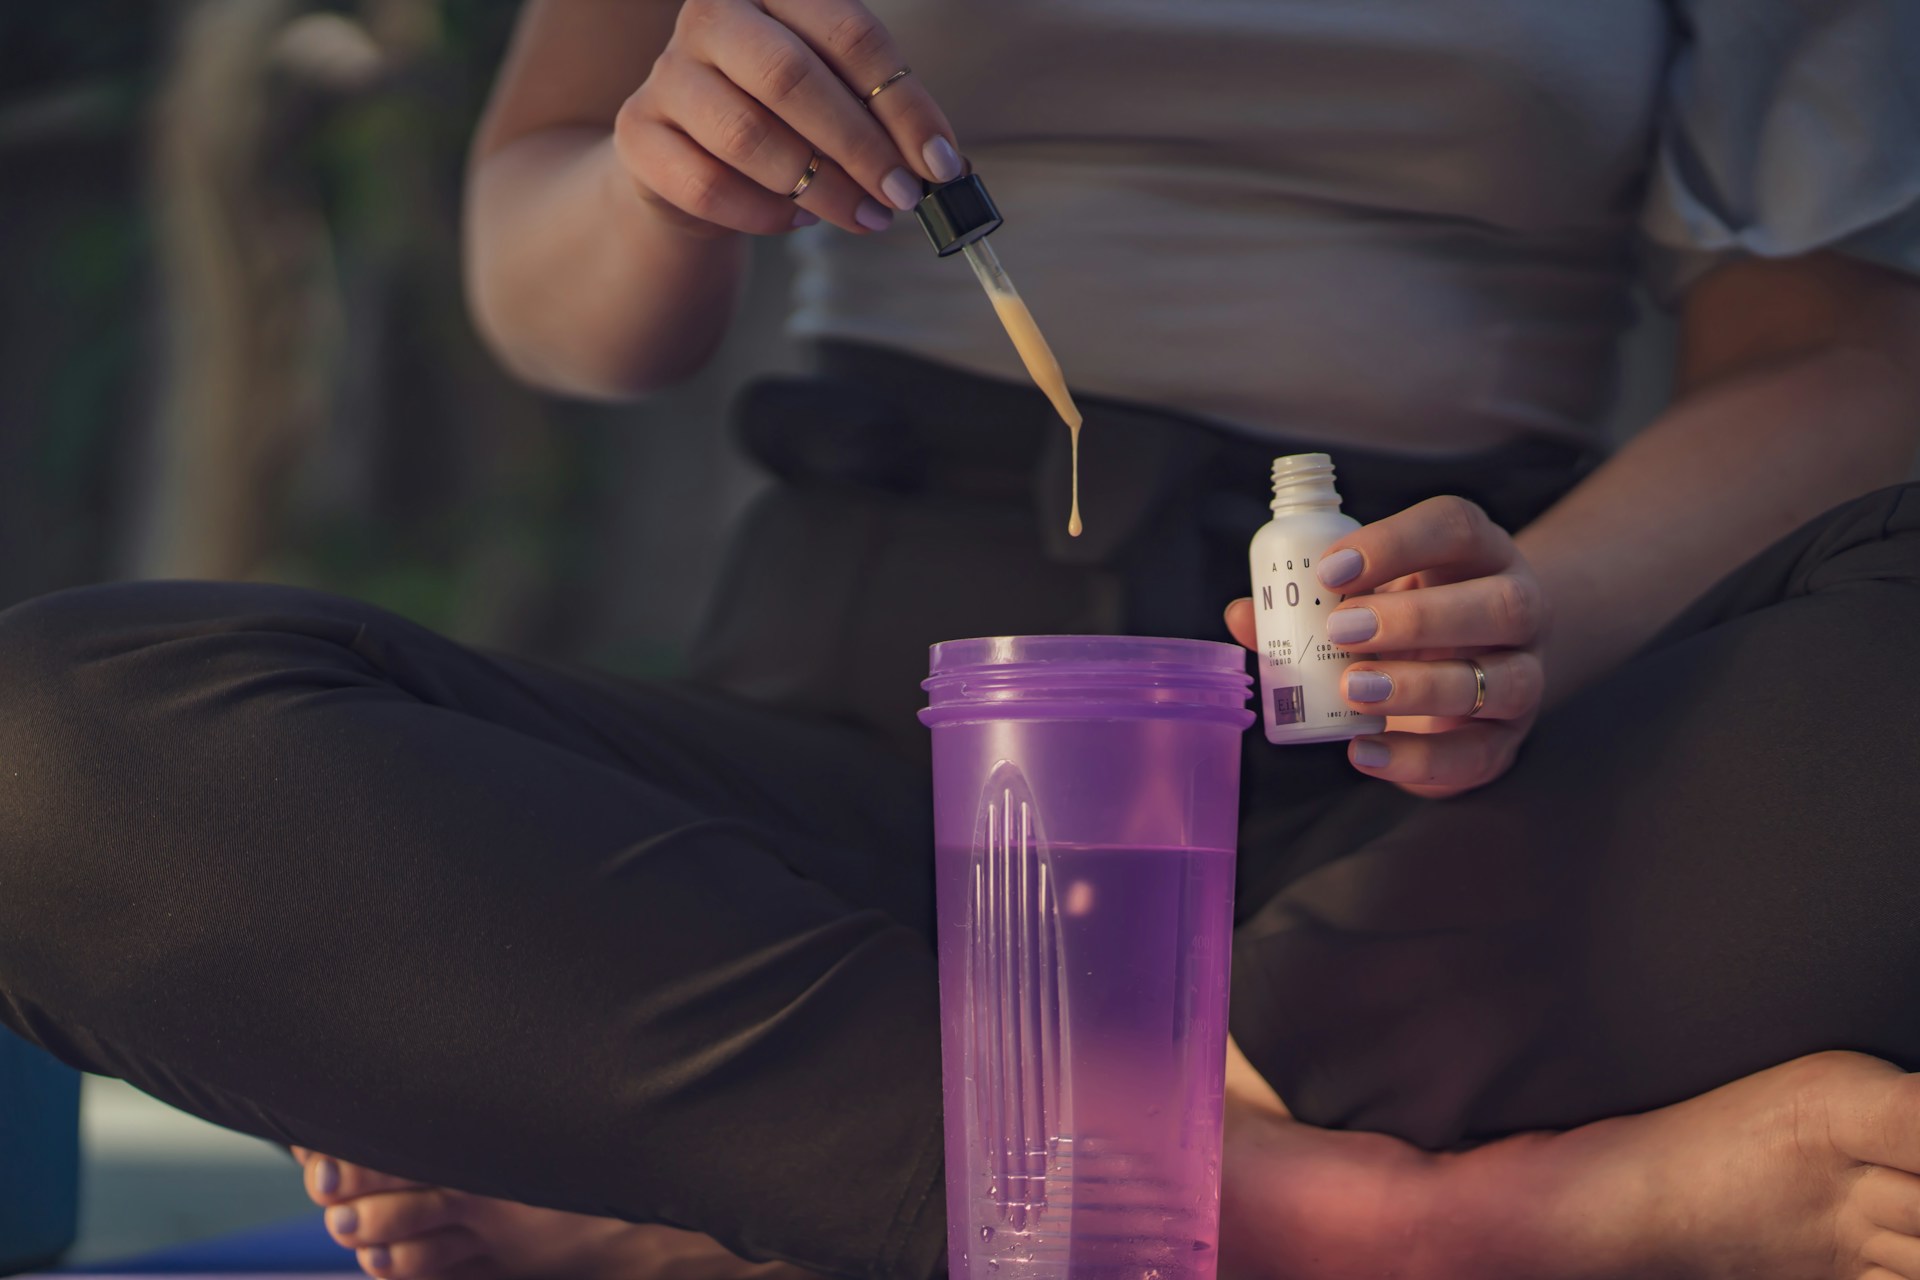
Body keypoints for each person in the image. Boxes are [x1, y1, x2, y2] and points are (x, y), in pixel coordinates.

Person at [3, 1, 1919, 1278]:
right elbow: (554, 283)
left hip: (1418, 792)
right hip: (834, 805)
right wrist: (665, 177)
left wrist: (1534, 620)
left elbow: (1840, 352)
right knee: (52, 742)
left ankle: (759, 1195)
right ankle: (1384, 1225)